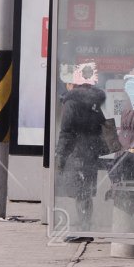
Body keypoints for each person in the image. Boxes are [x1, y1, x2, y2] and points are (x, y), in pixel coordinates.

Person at [56, 62, 110, 240]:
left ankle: (83, 231)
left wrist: (60, 155)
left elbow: (66, 132)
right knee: (85, 193)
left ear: (73, 84)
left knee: (80, 193)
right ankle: (85, 228)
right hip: (91, 152)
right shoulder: (94, 102)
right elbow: (102, 124)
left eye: (68, 82)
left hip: (77, 152)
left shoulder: (71, 102)